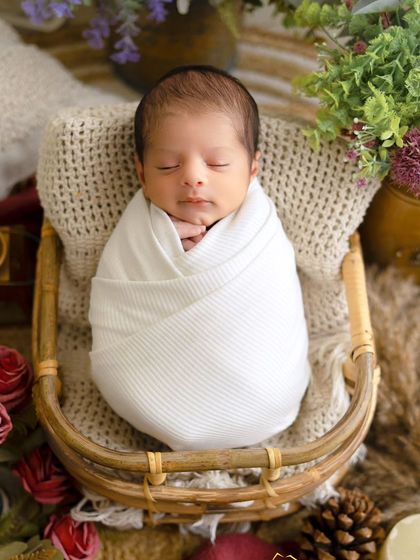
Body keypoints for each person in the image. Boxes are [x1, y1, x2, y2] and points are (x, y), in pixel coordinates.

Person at [89, 65, 311, 451]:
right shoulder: (139, 229)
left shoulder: (259, 228)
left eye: (218, 163)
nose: (192, 176)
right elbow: (120, 289)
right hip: (144, 387)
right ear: (141, 173)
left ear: (252, 168)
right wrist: (164, 247)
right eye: (168, 165)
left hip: (261, 387)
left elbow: (274, 294)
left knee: (268, 380)